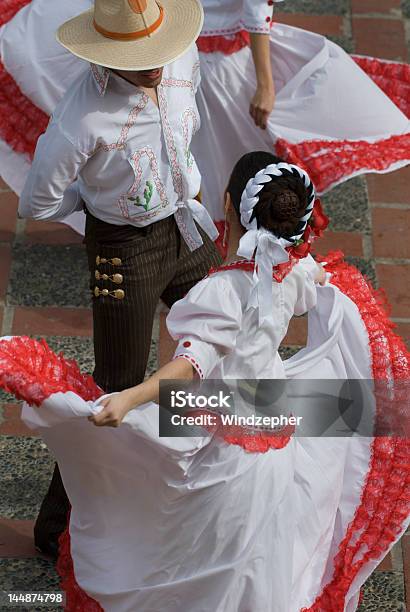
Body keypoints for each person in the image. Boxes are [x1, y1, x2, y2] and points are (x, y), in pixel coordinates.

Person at [0, 152, 408, 610]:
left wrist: (129, 399)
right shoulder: (292, 273)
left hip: (223, 439)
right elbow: (313, 285)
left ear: (229, 204)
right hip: (272, 427)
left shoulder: (221, 292)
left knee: (189, 540)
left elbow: (191, 367)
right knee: (254, 560)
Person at [17, 0, 222, 558]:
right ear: (107, 56)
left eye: (156, 52)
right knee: (116, 385)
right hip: (124, 250)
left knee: (226, 339)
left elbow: (189, 124)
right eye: (137, 59)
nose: (154, 66)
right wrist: (104, 203)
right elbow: (38, 201)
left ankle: (197, 485)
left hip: (190, 226)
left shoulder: (182, 58)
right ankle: (57, 528)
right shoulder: (81, 118)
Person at [0, 0, 409, 244]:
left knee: (204, 150)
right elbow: (255, 11)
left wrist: (264, 83)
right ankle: (196, 230)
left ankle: (198, 230)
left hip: (191, 51)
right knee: (200, 150)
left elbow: (255, 11)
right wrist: (264, 83)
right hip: (186, 50)